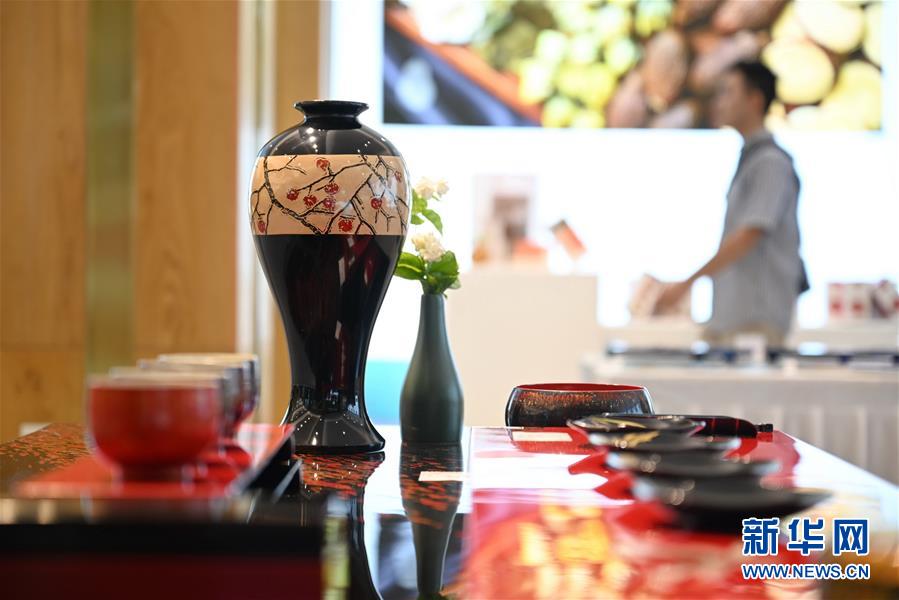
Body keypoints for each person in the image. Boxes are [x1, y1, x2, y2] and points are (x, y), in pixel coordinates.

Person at [655, 61, 805, 347]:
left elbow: (749, 234)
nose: (719, 101)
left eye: (728, 92)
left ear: (755, 100)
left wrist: (687, 283)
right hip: (736, 319)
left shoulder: (770, 162)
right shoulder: (752, 158)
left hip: (755, 322)